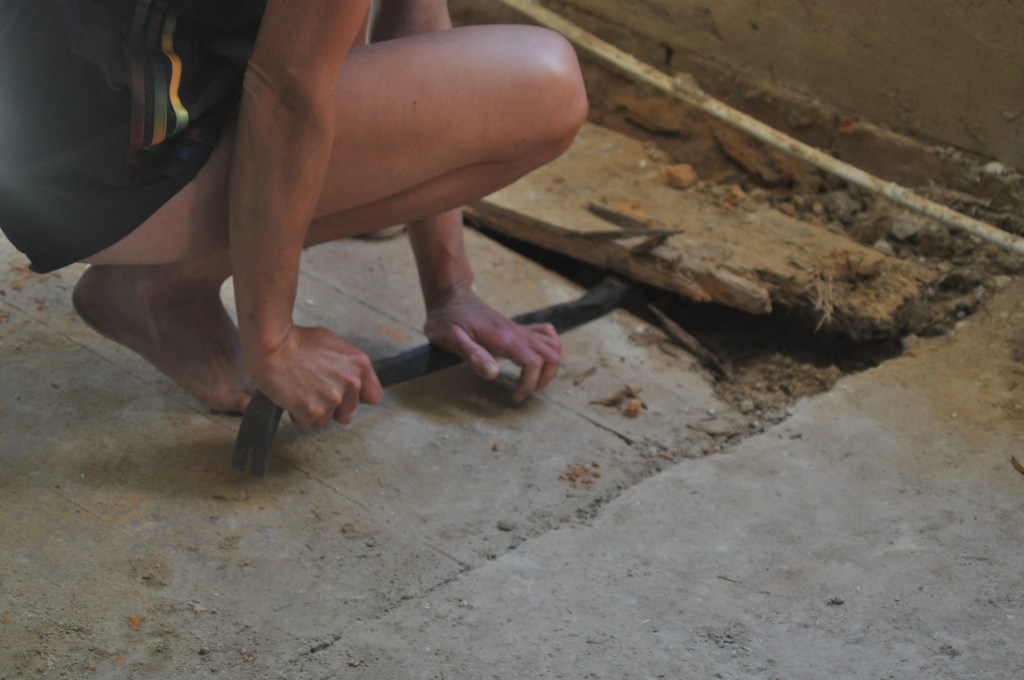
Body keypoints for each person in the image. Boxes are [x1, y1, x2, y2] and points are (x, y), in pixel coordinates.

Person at [0, 0, 588, 428]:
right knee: (545, 86)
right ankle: (163, 286)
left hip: (51, 117)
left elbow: (413, 17)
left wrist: (450, 289)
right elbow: (286, 93)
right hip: (76, 157)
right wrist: (274, 343)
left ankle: (161, 282)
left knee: (327, 22)